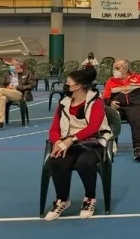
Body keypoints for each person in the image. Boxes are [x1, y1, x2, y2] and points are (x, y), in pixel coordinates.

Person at [44, 68, 112, 221]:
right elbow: (54, 128)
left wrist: (71, 140)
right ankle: (62, 199)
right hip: (69, 143)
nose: (66, 86)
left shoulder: (96, 102)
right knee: (57, 160)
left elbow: (93, 127)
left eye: (68, 84)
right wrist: (57, 142)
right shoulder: (63, 103)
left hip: (93, 143)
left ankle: (89, 198)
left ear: (78, 86)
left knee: (84, 163)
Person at [103, 59, 140, 161]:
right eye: (114, 68)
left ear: (126, 69)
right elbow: (105, 98)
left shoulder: (138, 78)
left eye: (117, 68)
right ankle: (111, 145)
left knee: (137, 120)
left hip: (134, 107)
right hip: (118, 108)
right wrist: (111, 103)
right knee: (109, 117)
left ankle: (138, 148)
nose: (115, 70)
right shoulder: (111, 81)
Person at [0, 58, 36, 132]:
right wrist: (7, 87)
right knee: (2, 98)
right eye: (11, 65)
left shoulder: (27, 73)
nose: (11, 66)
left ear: (19, 65)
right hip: (7, 92)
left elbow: (32, 85)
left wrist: (17, 87)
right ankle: (0, 122)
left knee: (0, 90)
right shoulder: (8, 73)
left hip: (20, 93)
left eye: (13, 65)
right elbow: (1, 84)